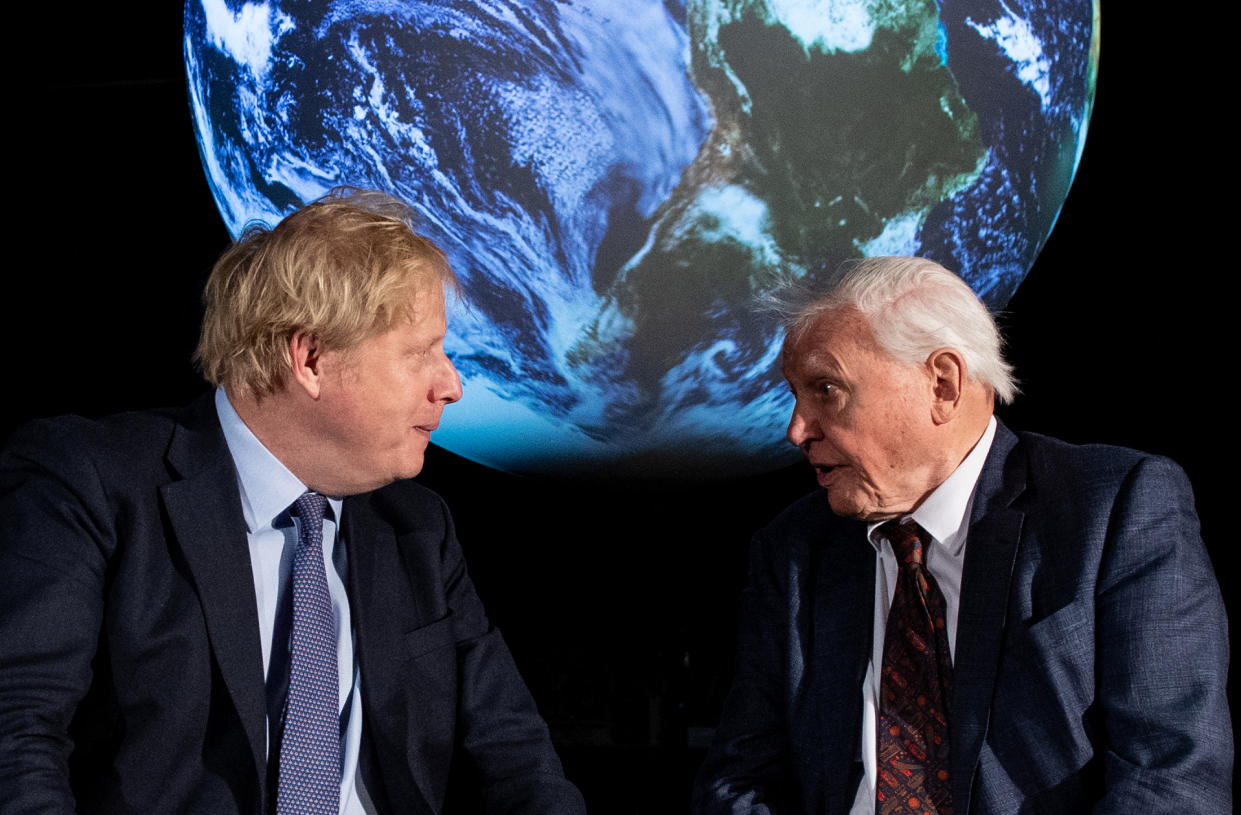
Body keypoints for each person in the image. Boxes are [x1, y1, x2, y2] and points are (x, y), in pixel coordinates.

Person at [0, 188, 586, 814]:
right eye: (420, 353)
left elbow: (516, 756)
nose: (452, 385)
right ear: (309, 358)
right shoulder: (89, 482)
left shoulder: (417, 527)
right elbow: (16, 735)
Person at [693, 257, 1231, 814]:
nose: (796, 429)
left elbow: (1173, 779)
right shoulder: (794, 549)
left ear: (942, 384)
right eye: (795, 395)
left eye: (826, 389)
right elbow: (740, 778)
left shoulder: (1111, 509)